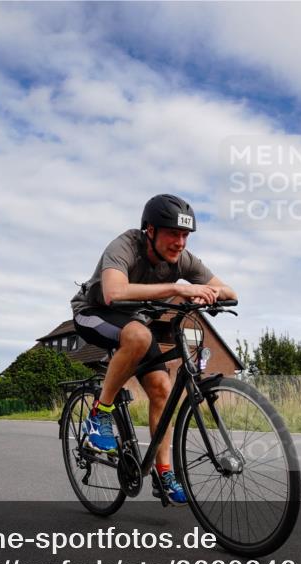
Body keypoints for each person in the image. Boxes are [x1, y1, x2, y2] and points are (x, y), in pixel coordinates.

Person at [71, 194, 237, 506]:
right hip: (93, 312)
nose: (180, 243)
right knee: (139, 336)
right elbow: (113, 292)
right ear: (150, 230)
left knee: (162, 387)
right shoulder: (124, 246)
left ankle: (164, 474)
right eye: (173, 233)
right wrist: (177, 288)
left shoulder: (183, 259)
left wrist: (206, 294)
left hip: (134, 323)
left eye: (185, 235)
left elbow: (229, 290)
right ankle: (99, 414)